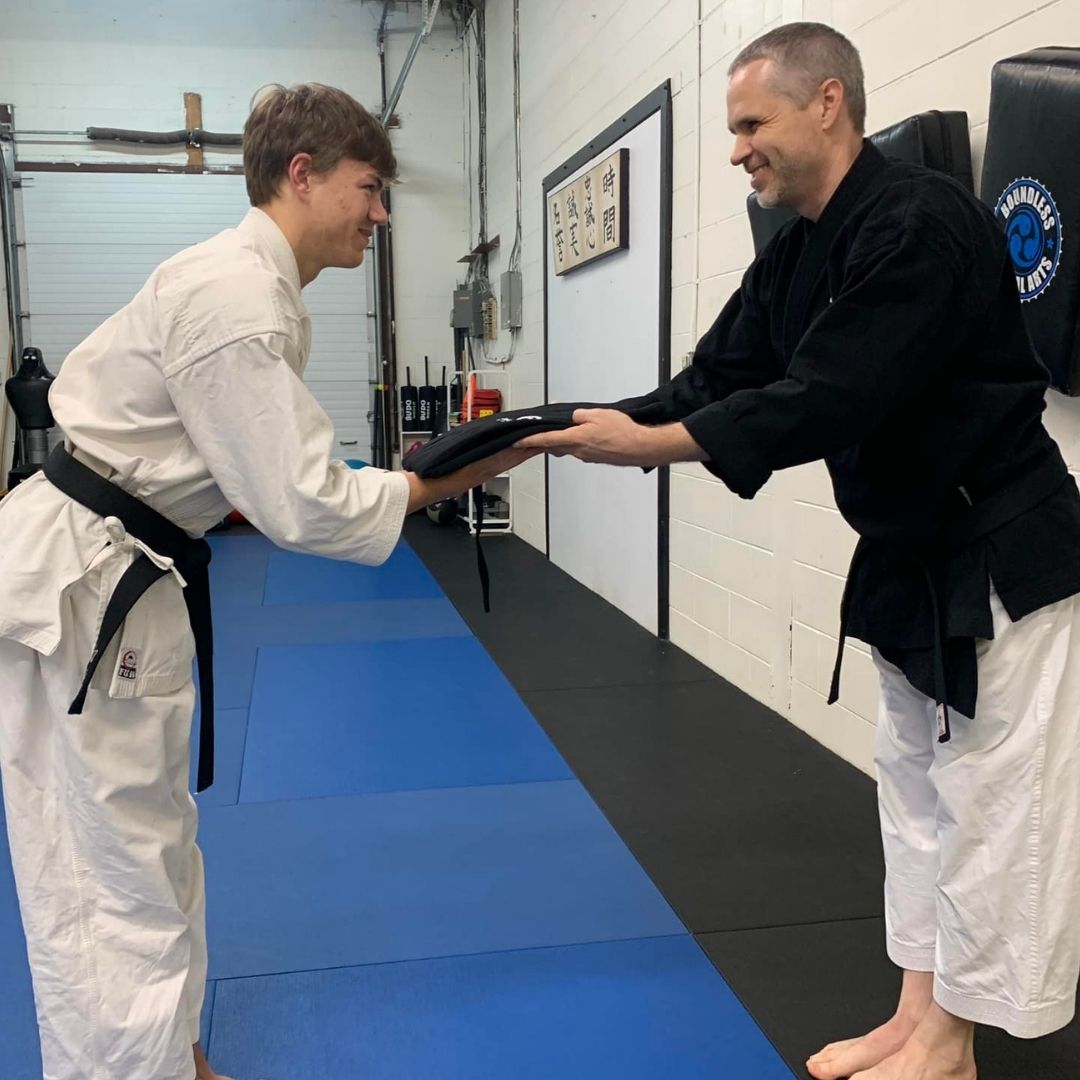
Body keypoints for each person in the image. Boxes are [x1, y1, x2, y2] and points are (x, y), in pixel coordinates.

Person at [520, 23, 1080, 1080]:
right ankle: (916, 1017)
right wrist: (579, 427)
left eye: (750, 124)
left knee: (989, 805)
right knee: (914, 797)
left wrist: (656, 447)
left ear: (828, 103)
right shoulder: (798, 250)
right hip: (910, 560)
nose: (737, 150)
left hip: (999, 556)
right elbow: (718, 378)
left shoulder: (920, 224)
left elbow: (831, 394)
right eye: (733, 129)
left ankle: (954, 1046)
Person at [0, 83, 532, 1080]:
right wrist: (439, 478)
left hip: (119, 576)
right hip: (85, 594)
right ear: (303, 175)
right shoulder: (237, 301)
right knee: (105, 871)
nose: (381, 213)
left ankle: (171, 1055)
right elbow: (299, 501)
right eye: (370, 189)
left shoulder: (252, 288)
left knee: (148, 846)